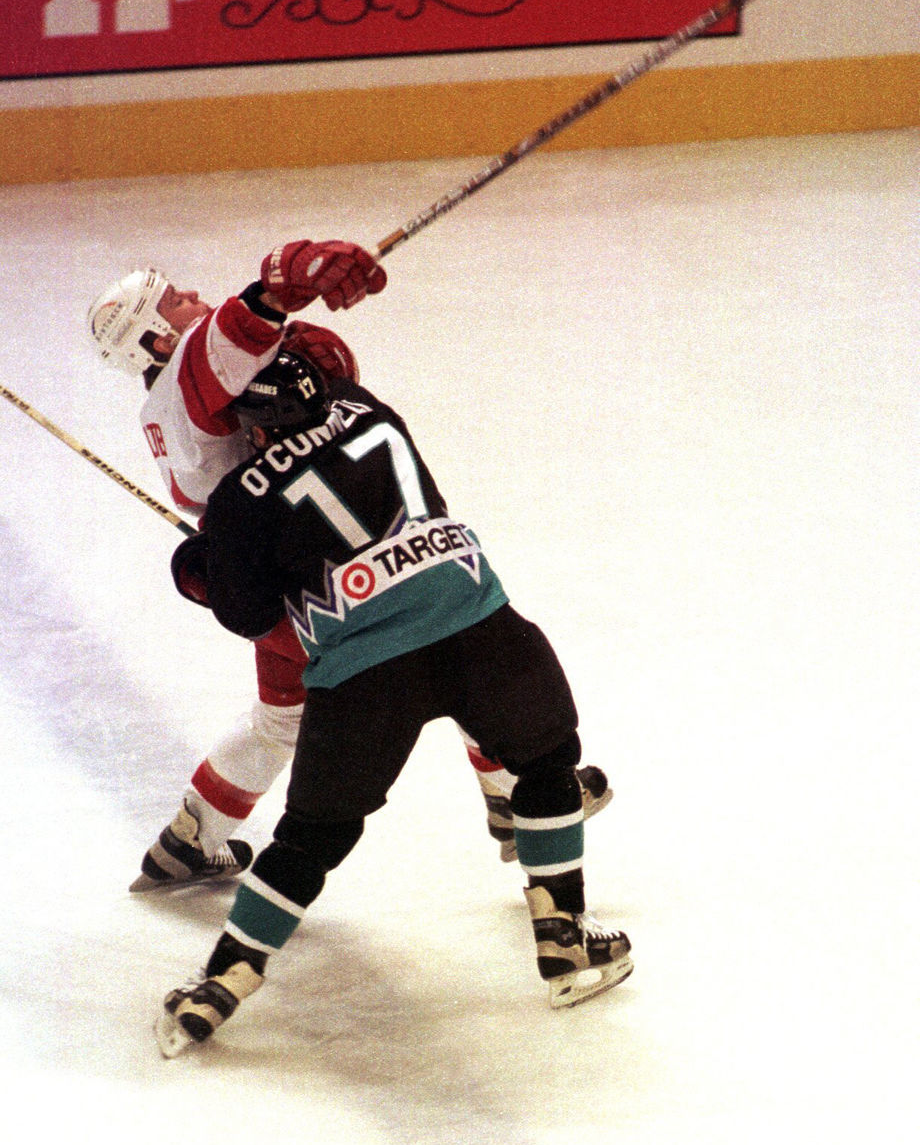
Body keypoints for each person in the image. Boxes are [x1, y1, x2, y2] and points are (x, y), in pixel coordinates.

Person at [87, 245, 613, 891]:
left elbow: (294, 373)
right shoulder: (188, 371)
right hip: (317, 571)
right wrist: (279, 286)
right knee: (451, 648)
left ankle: (189, 836)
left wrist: (288, 325)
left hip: (267, 568)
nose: (192, 296)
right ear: (154, 334)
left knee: (282, 717)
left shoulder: (167, 405)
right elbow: (228, 338)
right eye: (173, 300)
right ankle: (511, 800)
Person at [155, 351, 632, 1056]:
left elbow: (249, 613)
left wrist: (208, 563)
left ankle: (224, 979)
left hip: (364, 673)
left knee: (310, 840)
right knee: (549, 761)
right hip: (474, 622)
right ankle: (564, 938)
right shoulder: (376, 413)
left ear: (255, 430)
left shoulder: (234, 504)